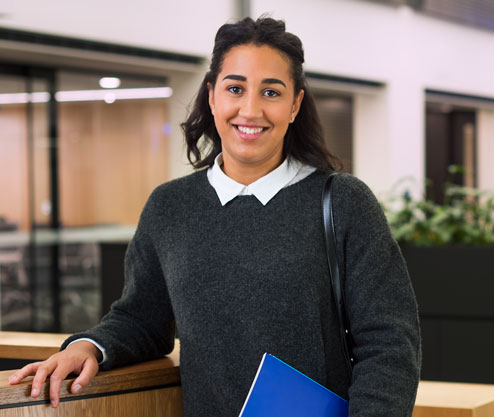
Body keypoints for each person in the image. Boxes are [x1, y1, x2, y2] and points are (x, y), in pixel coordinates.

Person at [9, 17, 421, 416]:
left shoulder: (344, 202)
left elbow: (389, 342)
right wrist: (87, 347)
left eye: (272, 93)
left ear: (295, 104)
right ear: (212, 95)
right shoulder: (170, 206)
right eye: (235, 88)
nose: (250, 109)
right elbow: (141, 319)